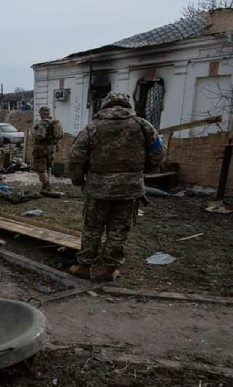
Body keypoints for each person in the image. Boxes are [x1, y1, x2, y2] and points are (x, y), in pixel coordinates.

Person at [68, 92, 166, 282]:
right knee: (118, 231)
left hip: (97, 190)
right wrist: (143, 172)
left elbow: (76, 157)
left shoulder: (93, 127)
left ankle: (84, 266)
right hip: (128, 191)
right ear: (127, 105)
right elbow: (158, 152)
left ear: (105, 105)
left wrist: (78, 180)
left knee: (92, 229)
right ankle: (108, 270)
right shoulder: (143, 126)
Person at [31, 106, 62, 192]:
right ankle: (45, 186)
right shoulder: (54, 123)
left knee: (40, 168)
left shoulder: (43, 123)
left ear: (42, 113)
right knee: (47, 167)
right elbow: (60, 136)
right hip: (51, 148)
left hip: (41, 149)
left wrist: (33, 132)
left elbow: (40, 136)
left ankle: (47, 185)